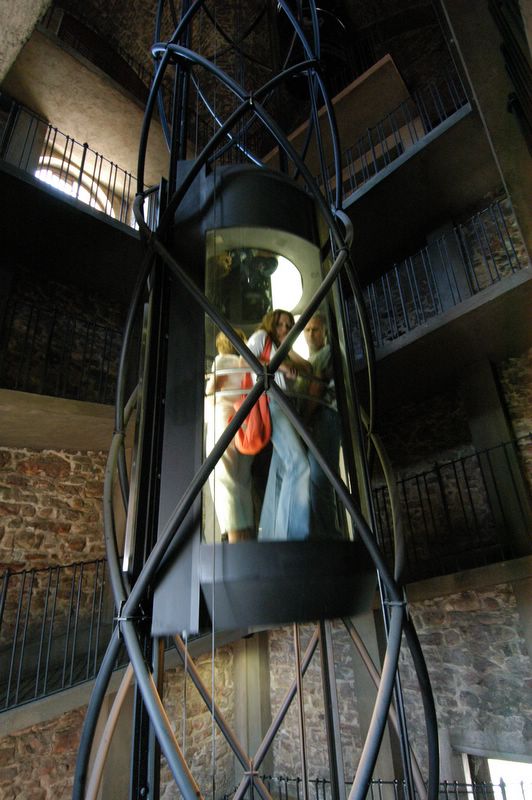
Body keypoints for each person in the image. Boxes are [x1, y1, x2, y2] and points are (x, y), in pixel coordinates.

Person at [246, 309, 312, 540]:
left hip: (282, 406)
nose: (284, 328)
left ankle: (272, 535)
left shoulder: (280, 348)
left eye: (288, 325)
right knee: (299, 463)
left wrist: (288, 349)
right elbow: (247, 357)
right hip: (271, 403)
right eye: (280, 324)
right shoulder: (262, 338)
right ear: (270, 324)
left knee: (283, 470)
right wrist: (281, 366)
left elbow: (308, 368)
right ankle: (291, 535)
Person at [205, 329, 254, 542]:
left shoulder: (222, 361)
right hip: (244, 423)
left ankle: (236, 544)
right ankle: (246, 540)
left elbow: (211, 390)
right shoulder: (246, 363)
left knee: (223, 481)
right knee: (242, 482)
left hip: (222, 421)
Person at [303, 312, 343, 539]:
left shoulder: (328, 353)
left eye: (316, 329)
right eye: (307, 330)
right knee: (316, 479)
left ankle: (330, 536)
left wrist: (304, 420)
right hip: (318, 419)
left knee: (320, 479)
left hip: (326, 416)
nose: (311, 334)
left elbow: (316, 389)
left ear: (325, 332)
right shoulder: (310, 361)